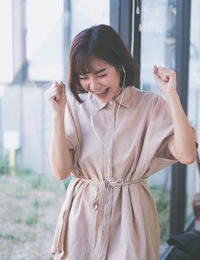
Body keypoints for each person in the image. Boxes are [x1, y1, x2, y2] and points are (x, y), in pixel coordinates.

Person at [45, 24, 197, 260]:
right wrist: (57, 114)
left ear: (120, 65)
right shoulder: (75, 106)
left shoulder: (149, 106)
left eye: (101, 74)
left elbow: (187, 155)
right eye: (84, 77)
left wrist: (171, 95)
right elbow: (60, 171)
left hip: (131, 214)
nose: (94, 86)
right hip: (84, 213)